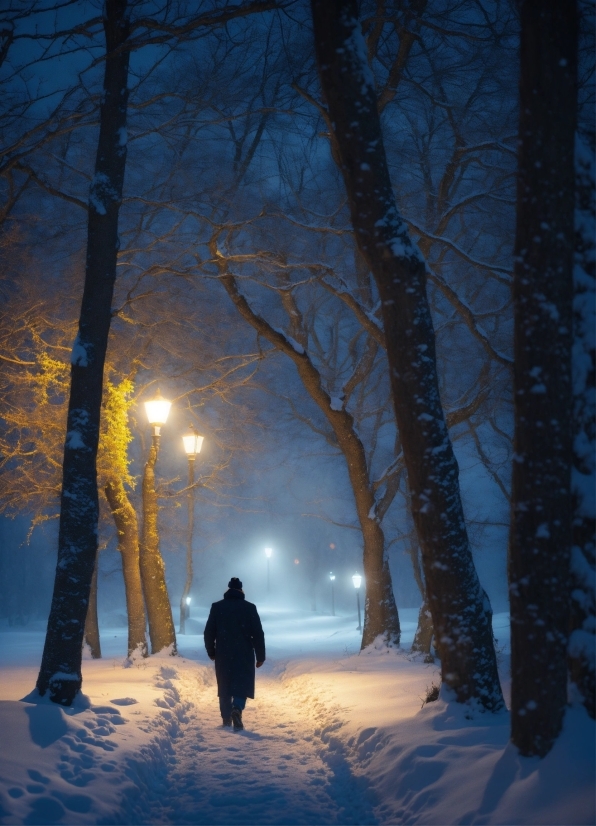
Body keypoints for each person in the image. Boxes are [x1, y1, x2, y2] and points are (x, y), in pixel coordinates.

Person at [204, 577, 266, 730]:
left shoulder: (217, 607)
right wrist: (260, 656)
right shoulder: (249, 608)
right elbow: (258, 633)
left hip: (223, 653)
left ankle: (226, 718)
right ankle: (237, 708)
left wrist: (212, 651)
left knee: (224, 684)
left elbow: (209, 632)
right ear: (241, 591)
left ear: (228, 590)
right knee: (241, 683)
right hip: (244, 652)